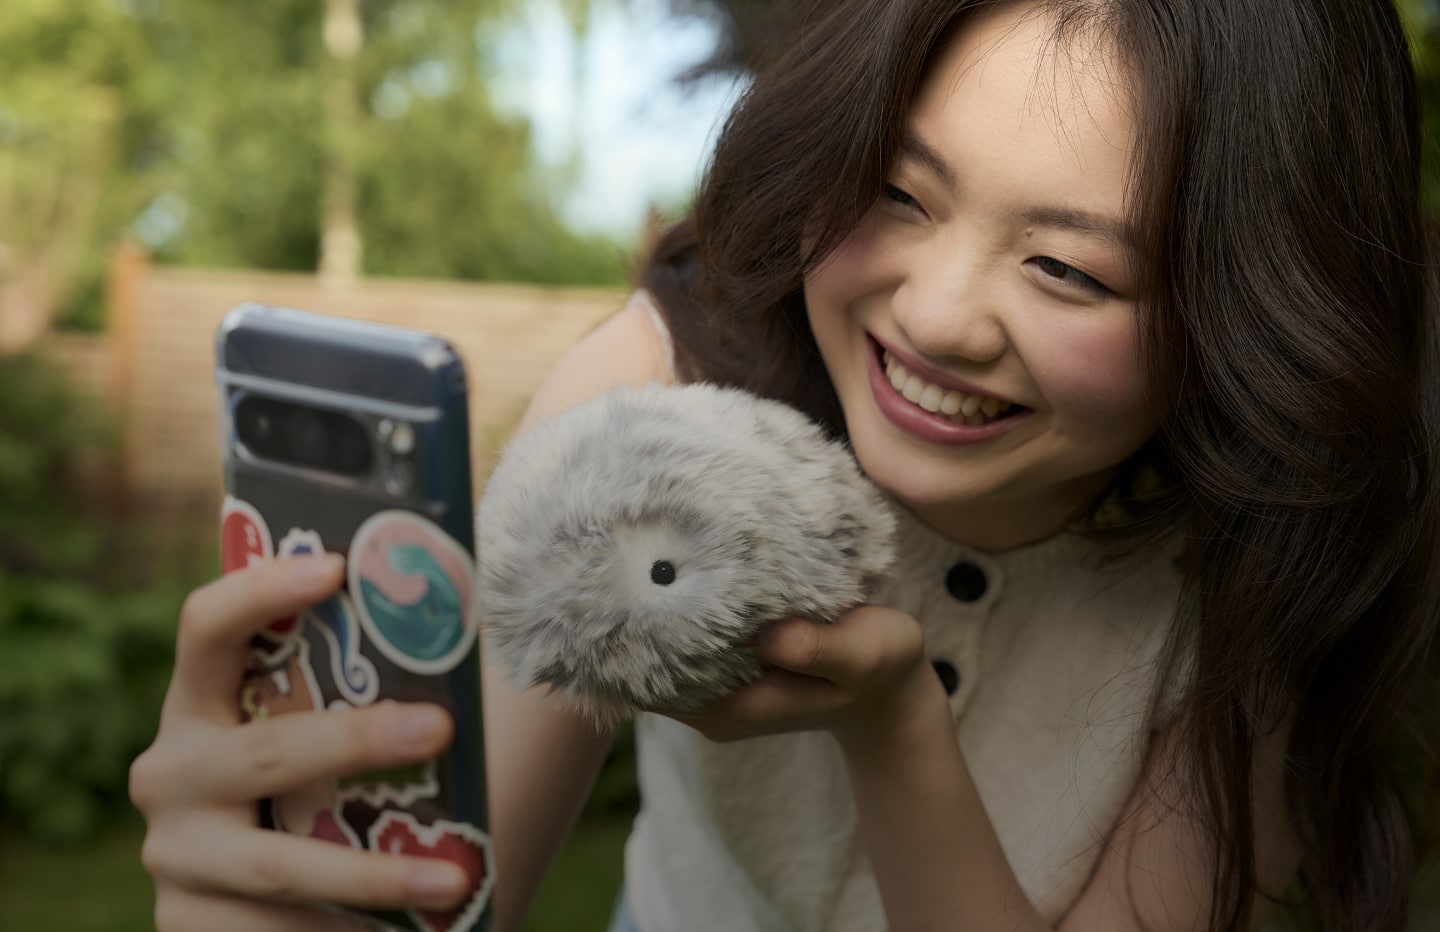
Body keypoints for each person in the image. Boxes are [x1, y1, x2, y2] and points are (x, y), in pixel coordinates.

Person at [129, 0, 1440, 929]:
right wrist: (245, 902)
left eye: (1068, 269)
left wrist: (893, 728)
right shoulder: (657, 399)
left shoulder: (1272, 572)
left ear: (1248, 316)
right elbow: (432, 899)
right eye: (898, 193)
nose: (937, 317)